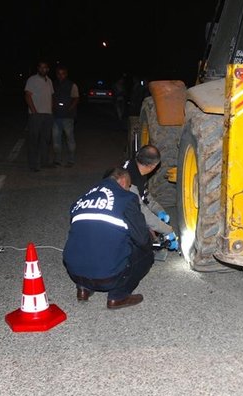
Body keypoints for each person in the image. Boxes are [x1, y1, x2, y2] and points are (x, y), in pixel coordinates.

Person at [63, 167, 153, 309]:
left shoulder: (82, 199)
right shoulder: (127, 198)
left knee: (89, 238)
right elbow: (141, 239)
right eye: (129, 186)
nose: (128, 189)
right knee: (146, 252)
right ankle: (118, 296)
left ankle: (83, 289)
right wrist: (150, 236)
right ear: (123, 181)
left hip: (75, 272)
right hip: (107, 278)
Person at [122, 145, 178, 250]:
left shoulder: (136, 168)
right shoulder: (130, 181)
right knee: (144, 240)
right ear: (153, 166)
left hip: (120, 205)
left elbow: (145, 195)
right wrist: (168, 230)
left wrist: (159, 211)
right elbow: (141, 209)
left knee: (152, 228)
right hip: (117, 214)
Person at [24, 61, 54, 172]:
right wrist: (34, 111)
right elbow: (27, 96)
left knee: (45, 140)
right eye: (41, 67)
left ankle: (44, 162)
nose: (43, 69)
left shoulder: (49, 81)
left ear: (48, 69)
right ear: (38, 68)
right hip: (36, 114)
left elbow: (51, 96)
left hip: (47, 115)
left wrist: (51, 111)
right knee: (33, 140)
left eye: (45, 67)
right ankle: (33, 164)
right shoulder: (32, 79)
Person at [52, 65, 79, 167]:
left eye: (63, 73)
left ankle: (71, 160)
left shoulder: (72, 85)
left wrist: (69, 109)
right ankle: (57, 160)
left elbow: (76, 98)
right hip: (56, 116)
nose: (60, 76)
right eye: (59, 73)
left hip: (68, 117)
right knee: (56, 139)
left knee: (69, 138)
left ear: (66, 74)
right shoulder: (53, 84)